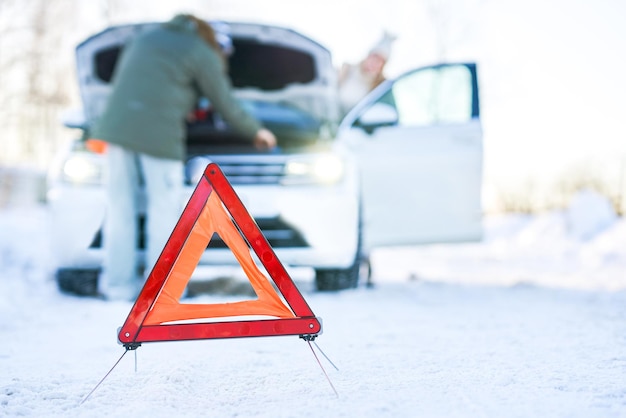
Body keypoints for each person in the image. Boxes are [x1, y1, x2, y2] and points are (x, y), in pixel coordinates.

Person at [90, 14, 277, 301]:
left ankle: (116, 286)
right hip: (158, 133)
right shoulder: (200, 51)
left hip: (115, 131)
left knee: (120, 210)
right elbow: (224, 101)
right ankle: (162, 291)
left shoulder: (146, 39)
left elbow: (150, 84)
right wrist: (257, 131)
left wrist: (184, 100)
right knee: (163, 210)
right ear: (216, 43)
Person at [338, 31, 397, 116]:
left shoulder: (381, 86)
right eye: (374, 57)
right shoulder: (347, 70)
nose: (374, 63)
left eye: (379, 61)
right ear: (368, 56)